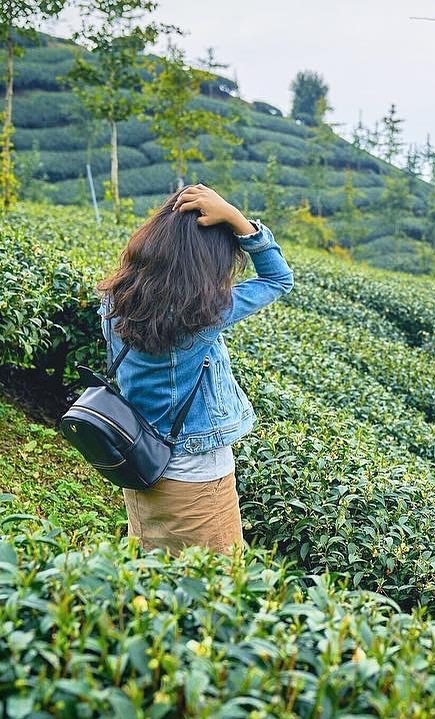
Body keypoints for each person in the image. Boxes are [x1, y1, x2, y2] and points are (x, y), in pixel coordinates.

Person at [95, 183, 293, 557]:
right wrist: (236, 218)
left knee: (156, 583)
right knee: (215, 593)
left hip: (141, 464)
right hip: (196, 479)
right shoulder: (202, 314)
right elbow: (279, 279)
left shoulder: (114, 299)